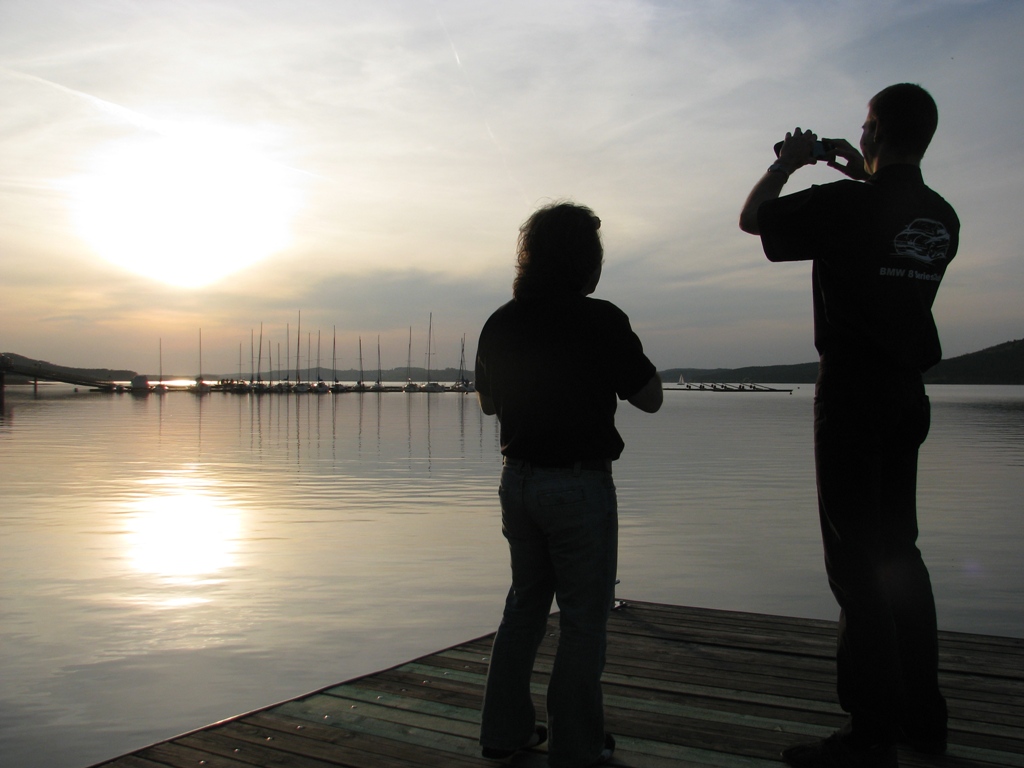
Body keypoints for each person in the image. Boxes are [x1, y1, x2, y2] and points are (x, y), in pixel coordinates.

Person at [738, 84, 959, 768]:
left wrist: (790, 162)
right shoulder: (942, 216)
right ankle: (923, 721)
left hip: (853, 396)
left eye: (865, 126)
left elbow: (754, 219)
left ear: (876, 130)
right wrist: (852, 166)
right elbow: (887, 212)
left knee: (856, 565)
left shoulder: (845, 205)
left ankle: (869, 734)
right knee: (900, 556)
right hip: (907, 396)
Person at [475, 202, 663, 768]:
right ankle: (576, 745)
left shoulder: (501, 321)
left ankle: (504, 731)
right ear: (584, 262)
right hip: (579, 486)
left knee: (524, 606)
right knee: (583, 619)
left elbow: (489, 405)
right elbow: (650, 398)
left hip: (518, 482)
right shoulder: (601, 320)